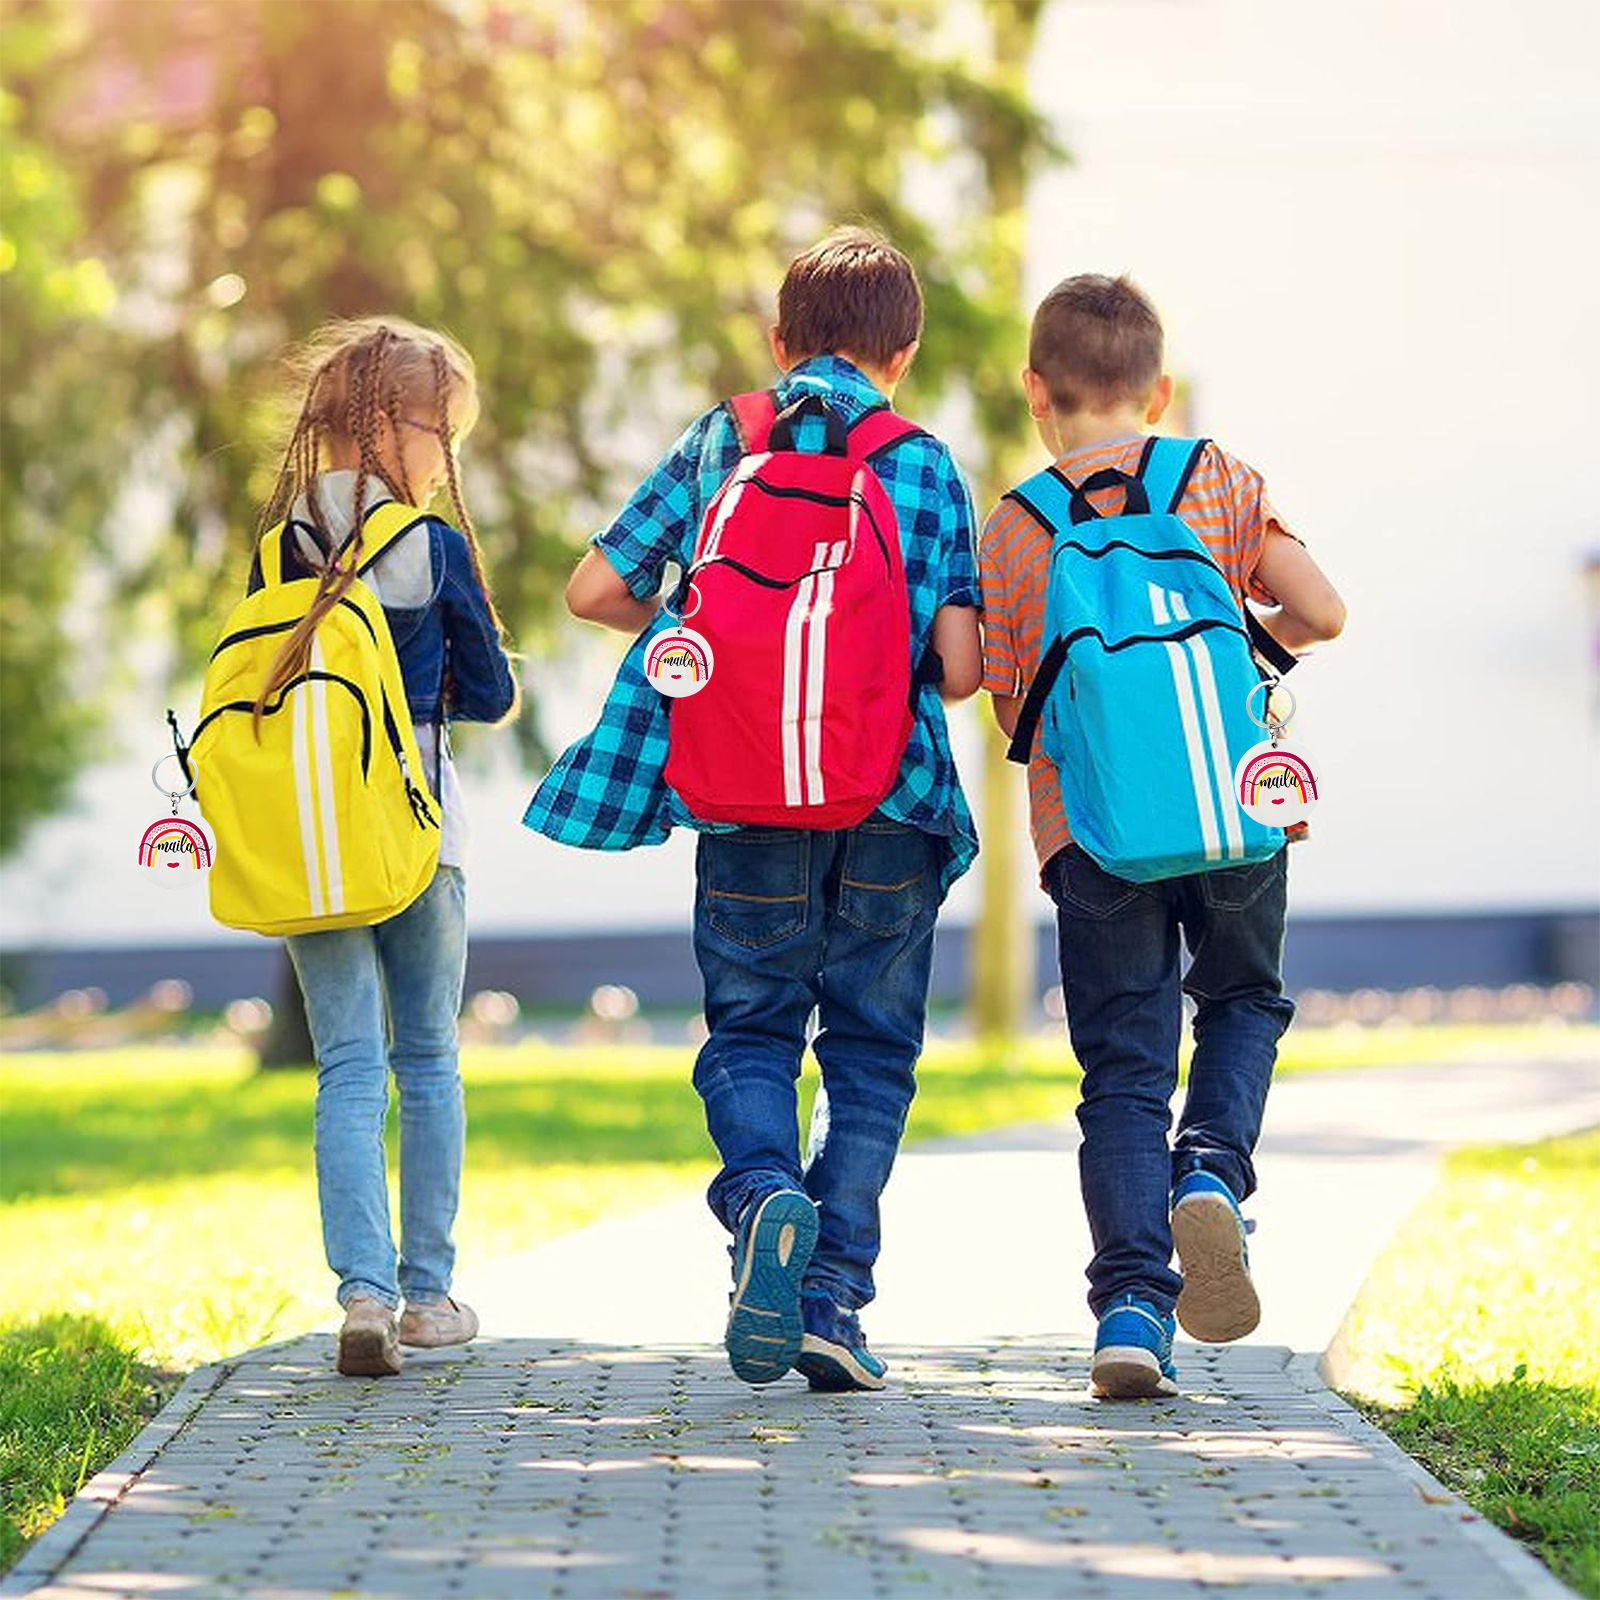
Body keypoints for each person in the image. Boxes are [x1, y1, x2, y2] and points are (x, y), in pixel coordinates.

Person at [532, 227, 983, 1390]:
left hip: (744, 796)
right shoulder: (924, 460)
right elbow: (965, 664)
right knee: (871, 1053)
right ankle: (832, 1295)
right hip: (893, 796)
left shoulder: (719, 438)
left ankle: (762, 1196)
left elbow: (593, 591)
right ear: (907, 351)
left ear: (778, 341)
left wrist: (721, 641)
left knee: (749, 1032)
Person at [979, 274, 1346, 1398]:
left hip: (1093, 832)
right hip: (1237, 809)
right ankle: (1215, 1173)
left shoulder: (1015, 527)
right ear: (1161, 388)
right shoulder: (1216, 478)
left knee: (1123, 1073)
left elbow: (1008, 710)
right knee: (1241, 1002)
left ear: (1036, 391)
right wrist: (1246, 646)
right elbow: (1321, 612)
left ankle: (1132, 1310)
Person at [251, 319, 517, 1376]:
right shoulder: (430, 544)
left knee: (347, 1069)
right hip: (414, 833)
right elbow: (490, 692)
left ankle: (358, 1295)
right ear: (408, 430)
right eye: (444, 431)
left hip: (310, 840)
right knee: (429, 1059)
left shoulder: (280, 545)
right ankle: (427, 1295)